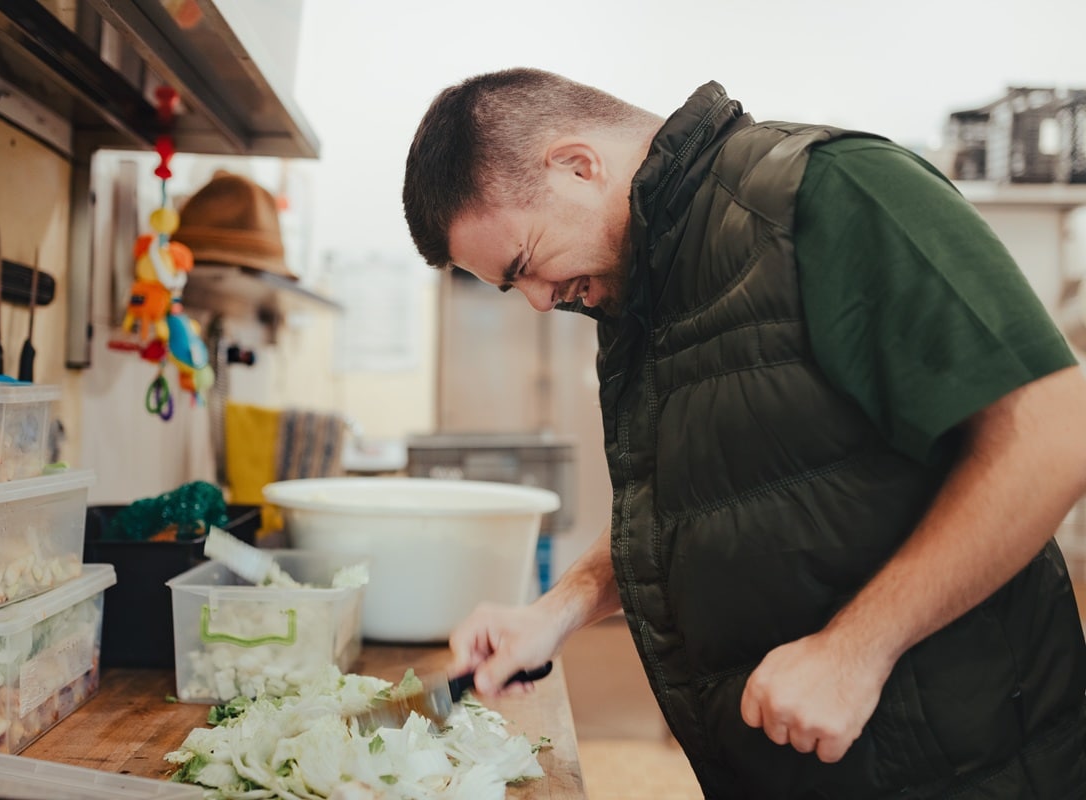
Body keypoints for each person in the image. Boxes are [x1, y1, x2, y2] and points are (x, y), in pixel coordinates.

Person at [402, 68, 1086, 799]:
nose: (538, 304)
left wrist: (856, 649)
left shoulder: (828, 191)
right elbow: (691, 505)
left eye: (525, 266)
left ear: (577, 164)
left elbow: (1058, 430)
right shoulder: (641, 290)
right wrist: (557, 609)